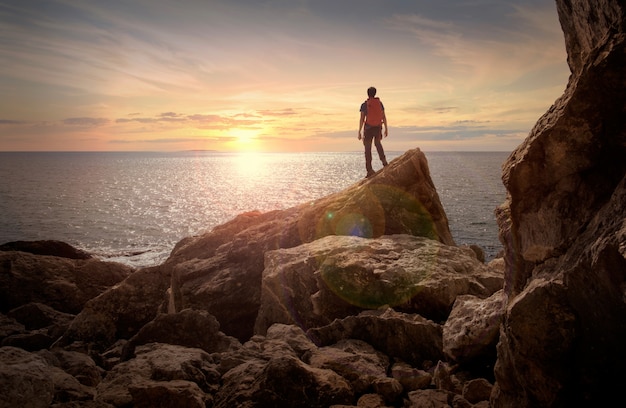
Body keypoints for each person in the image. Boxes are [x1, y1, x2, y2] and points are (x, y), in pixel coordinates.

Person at [358, 86, 388, 178]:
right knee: (378, 143)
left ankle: (369, 170)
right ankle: (384, 162)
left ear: (367, 93)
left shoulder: (364, 105)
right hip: (378, 127)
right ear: (375, 93)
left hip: (368, 129)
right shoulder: (379, 103)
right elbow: (383, 116)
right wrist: (386, 128)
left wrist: (359, 131)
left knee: (367, 149)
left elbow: (362, 118)